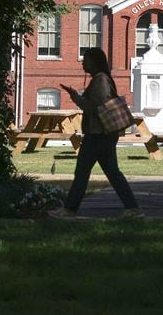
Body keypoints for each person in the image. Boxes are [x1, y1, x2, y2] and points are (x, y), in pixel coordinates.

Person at [47, 47, 143, 219]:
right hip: (104, 135)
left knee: (82, 173)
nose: (83, 62)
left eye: (86, 59)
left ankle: (69, 210)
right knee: (112, 172)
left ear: (95, 62)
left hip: (98, 135)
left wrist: (76, 97)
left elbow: (94, 108)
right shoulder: (101, 79)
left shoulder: (100, 80)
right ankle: (132, 208)